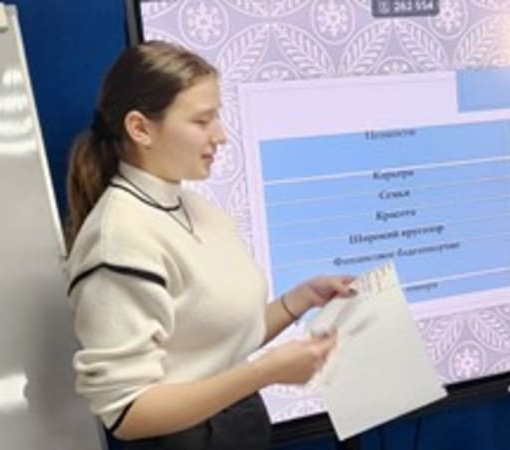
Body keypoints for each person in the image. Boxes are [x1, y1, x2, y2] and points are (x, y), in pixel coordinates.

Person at [64, 40, 353, 450]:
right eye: (202, 121)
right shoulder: (118, 239)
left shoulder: (193, 206)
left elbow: (212, 343)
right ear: (140, 128)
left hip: (237, 427)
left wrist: (299, 300)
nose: (220, 136)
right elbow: (127, 412)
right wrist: (265, 373)